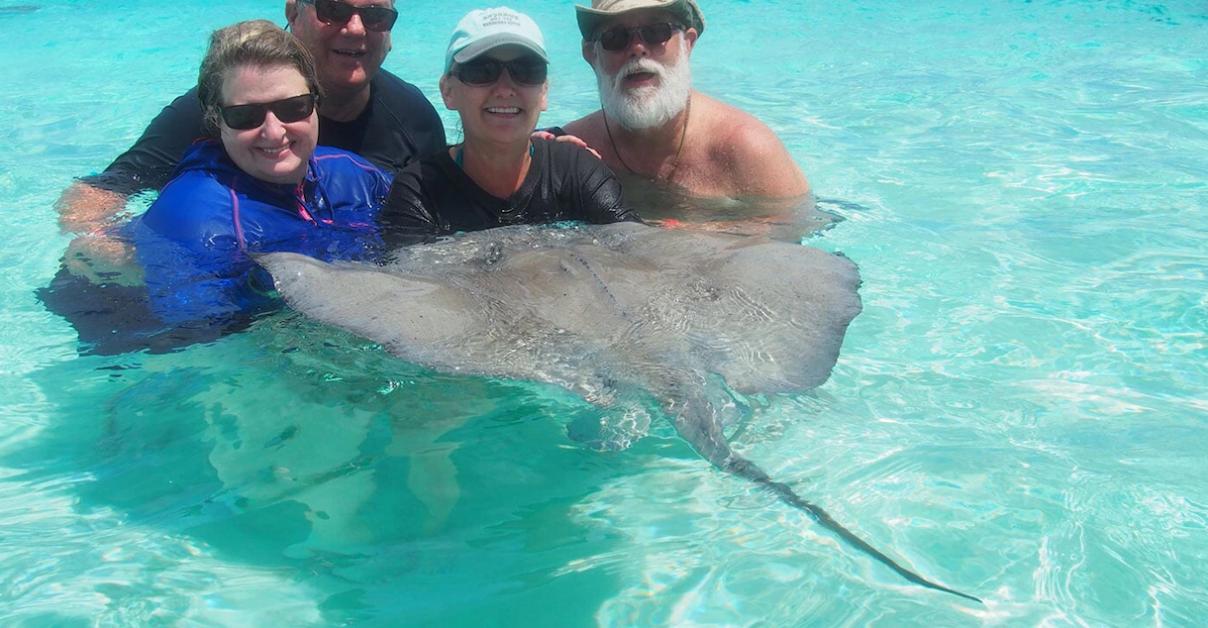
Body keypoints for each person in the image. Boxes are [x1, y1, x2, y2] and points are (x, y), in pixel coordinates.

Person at [55, 0, 443, 274]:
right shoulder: (216, 107)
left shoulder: (410, 118)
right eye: (334, 9)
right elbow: (102, 191)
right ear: (294, 11)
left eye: (375, 15)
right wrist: (131, 256)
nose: (356, 28)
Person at [379, 7, 638, 242]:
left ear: (544, 92)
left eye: (526, 70)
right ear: (448, 91)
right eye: (481, 70)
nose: (505, 89)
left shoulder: (577, 171)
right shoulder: (419, 191)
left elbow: (638, 248)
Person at [556, 0, 809, 202]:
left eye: (656, 32)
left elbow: (797, 250)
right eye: (615, 37)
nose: (637, 48)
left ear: (688, 43)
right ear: (591, 55)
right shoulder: (570, 150)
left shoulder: (746, 150)